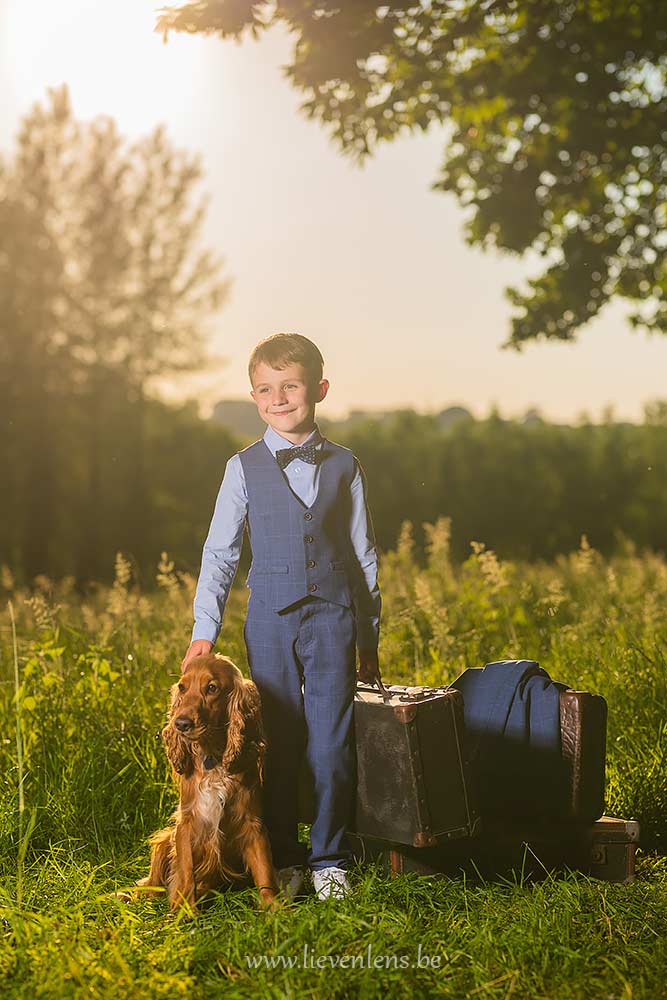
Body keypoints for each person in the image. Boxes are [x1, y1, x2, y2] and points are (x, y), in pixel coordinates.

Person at [181, 333, 382, 901]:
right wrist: (205, 631)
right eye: (266, 389)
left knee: (332, 741)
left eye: (290, 386)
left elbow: (365, 553)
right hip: (269, 617)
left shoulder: (346, 465)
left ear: (317, 389)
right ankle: (287, 856)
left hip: (336, 616)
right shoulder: (241, 467)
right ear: (253, 396)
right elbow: (220, 552)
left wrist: (368, 634)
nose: (279, 398)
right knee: (279, 738)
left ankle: (330, 858)